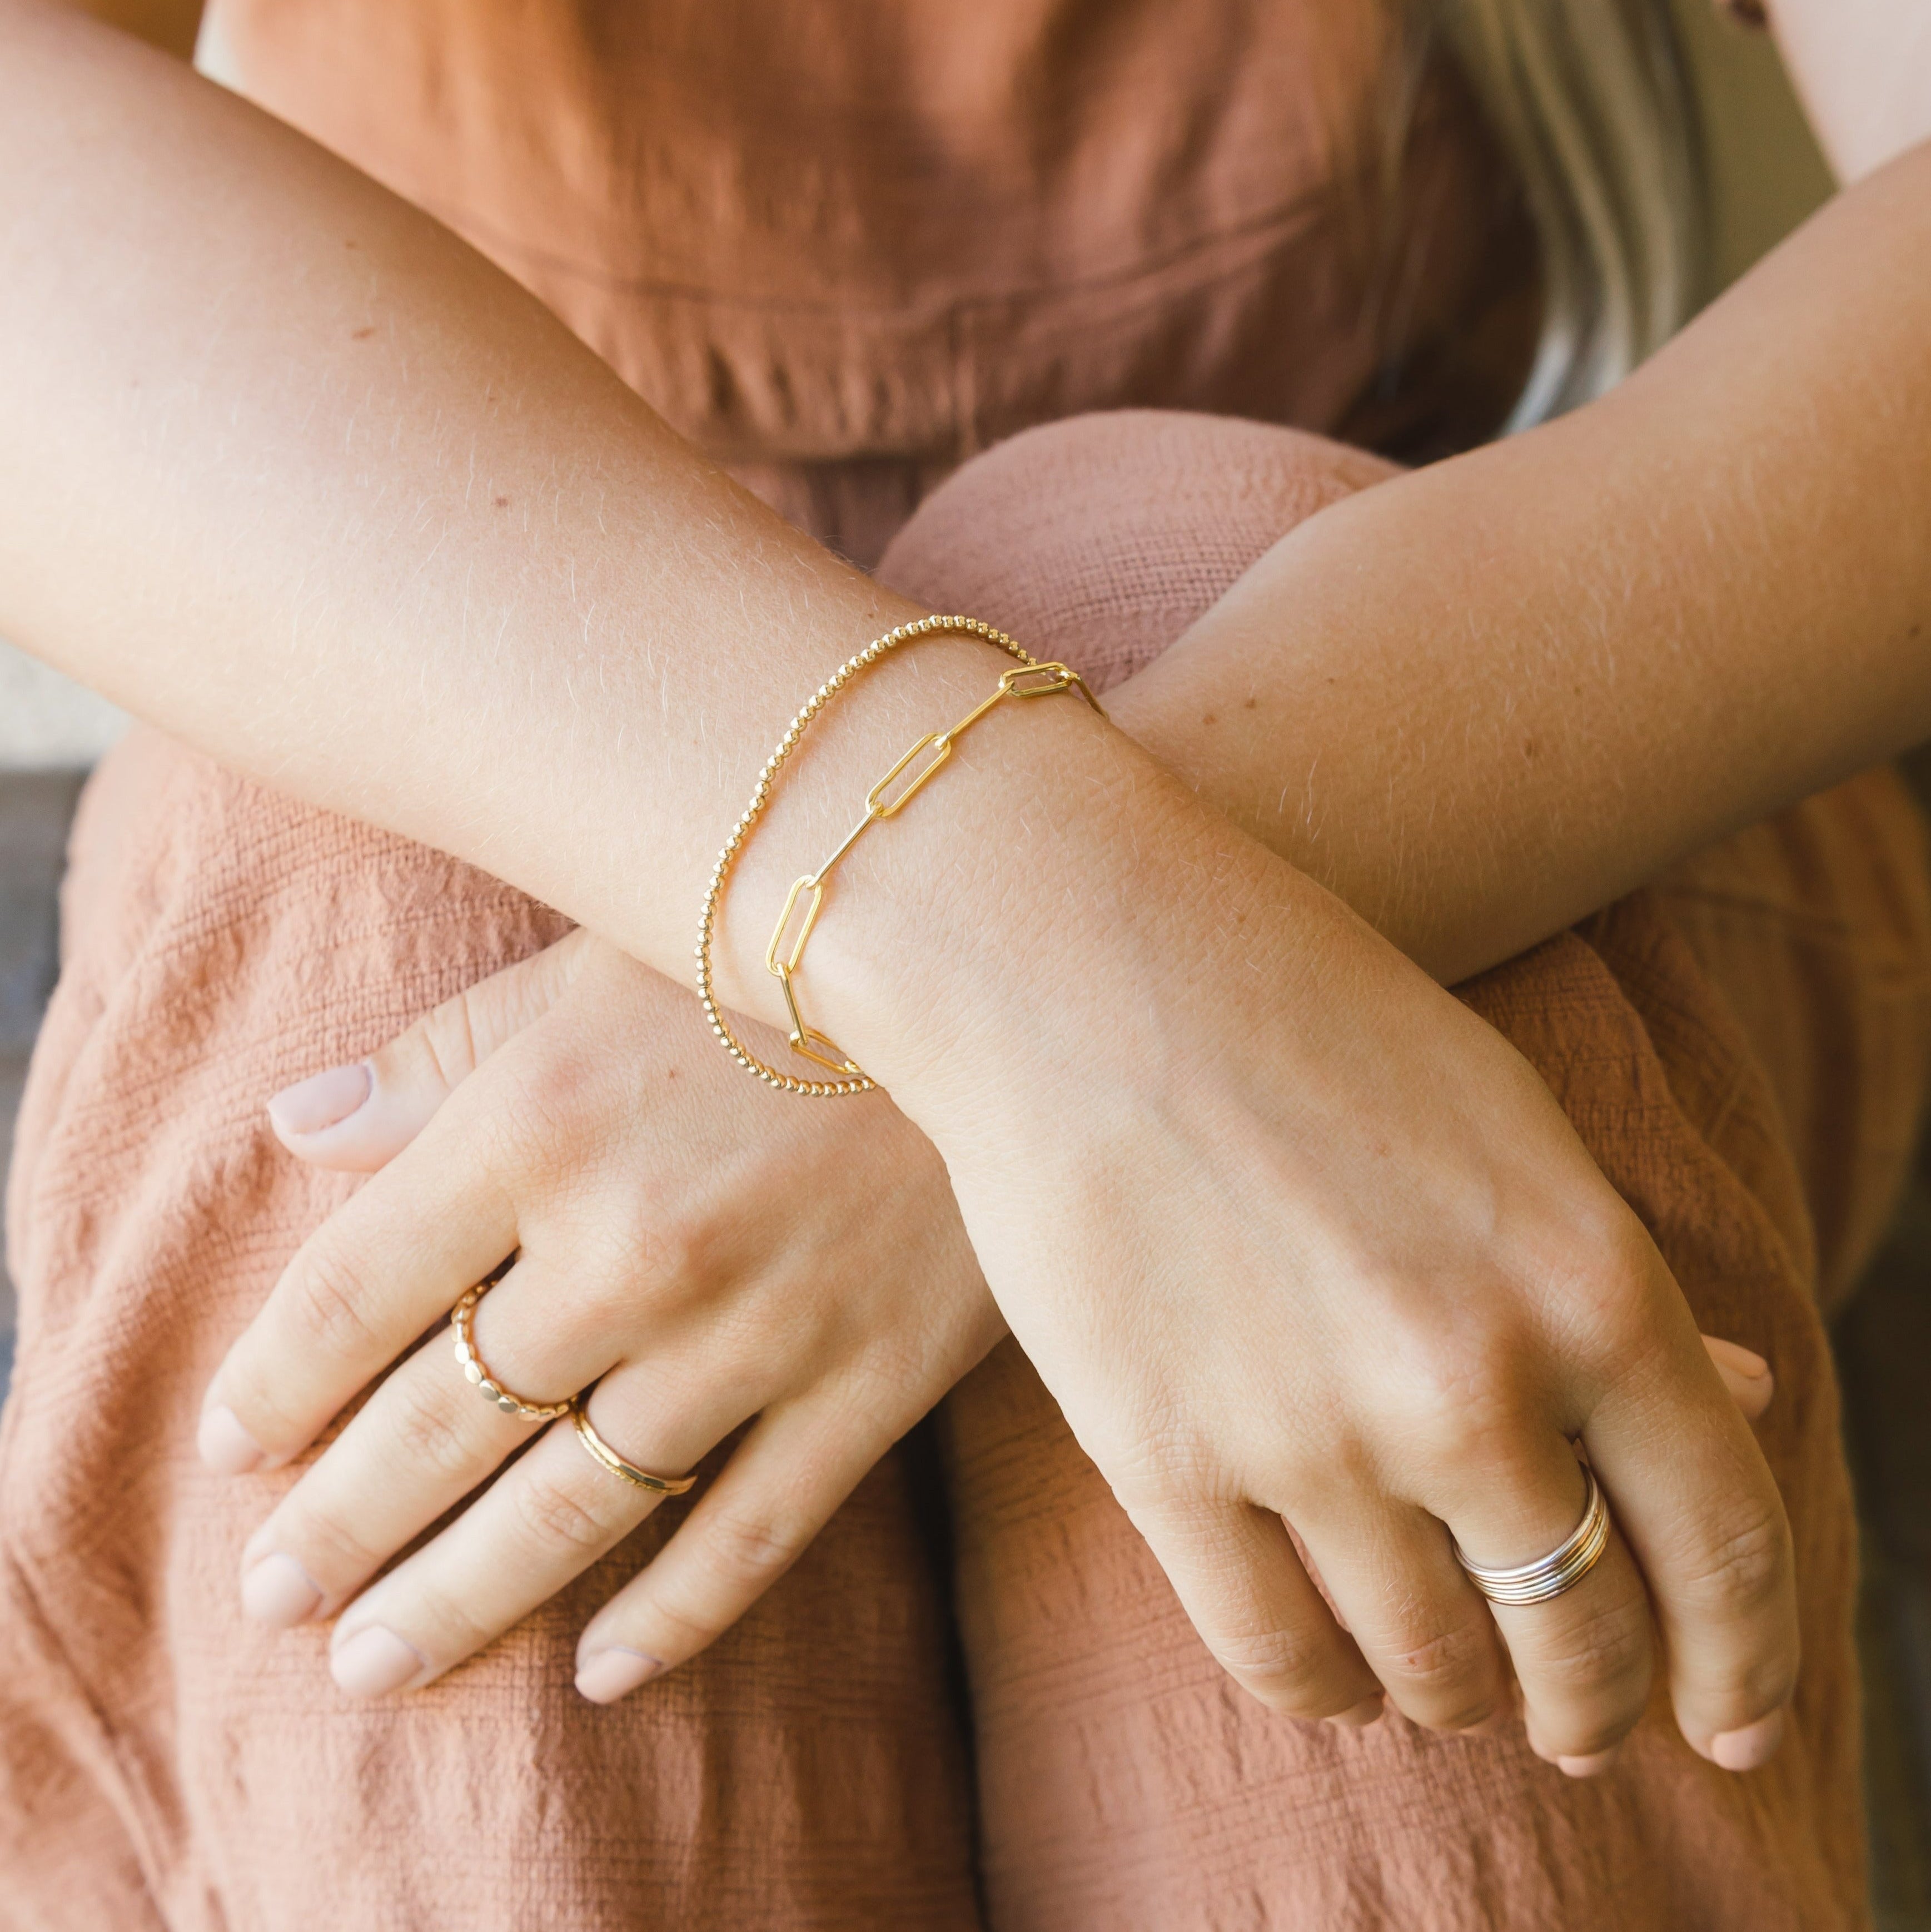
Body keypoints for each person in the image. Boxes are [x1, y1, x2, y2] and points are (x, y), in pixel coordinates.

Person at [1, 0, 1928, 1924]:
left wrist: (1114, 996)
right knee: (393, 897)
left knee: (1170, 568)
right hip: (467, 617)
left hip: (1514, 685)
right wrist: (994, 947)